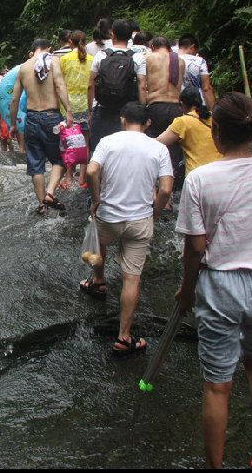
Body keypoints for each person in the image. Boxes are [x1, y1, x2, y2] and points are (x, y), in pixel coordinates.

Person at [175, 92, 252, 469]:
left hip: (220, 287)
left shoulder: (199, 179)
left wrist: (186, 289)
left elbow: (195, 248)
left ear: (216, 134)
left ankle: (216, 466)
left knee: (218, 384)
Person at [80, 102, 173, 355]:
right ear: (149, 123)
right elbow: (165, 189)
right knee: (131, 278)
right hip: (140, 220)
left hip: (109, 215)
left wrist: (96, 198)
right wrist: (154, 213)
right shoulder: (159, 148)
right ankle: (124, 337)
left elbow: (91, 170)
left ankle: (99, 281)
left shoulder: (108, 142)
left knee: (100, 243)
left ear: (122, 119)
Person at [9, 39, 74, 215]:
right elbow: (59, 85)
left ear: (32, 51)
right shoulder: (53, 61)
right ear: (49, 49)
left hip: (31, 119)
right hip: (52, 117)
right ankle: (50, 194)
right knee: (60, 159)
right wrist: (68, 109)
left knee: (36, 164)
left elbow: (14, 100)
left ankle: (41, 204)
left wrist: (13, 124)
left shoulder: (23, 68)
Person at [88, 18, 138, 155]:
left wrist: (90, 111)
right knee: (126, 152)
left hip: (103, 108)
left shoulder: (101, 55)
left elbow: (90, 84)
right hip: (127, 111)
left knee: (98, 150)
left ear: (113, 35)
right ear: (130, 37)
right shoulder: (137, 57)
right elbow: (143, 85)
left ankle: (98, 176)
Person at [143, 36, 185, 188]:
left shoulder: (148, 58)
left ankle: (154, 190)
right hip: (175, 106)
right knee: (172, 150)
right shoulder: (179, 61)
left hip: (156, 105)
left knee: (153, 147)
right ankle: (168, 191)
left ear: (153, 46)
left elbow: (142, 83)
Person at [155, 86, 222, 177]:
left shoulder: (183, 122)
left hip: (198, 175)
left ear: (182, 104)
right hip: (220, 170)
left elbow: (158, 142)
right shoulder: (214, 117)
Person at [59, 29, 94, 188]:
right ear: (85, 42)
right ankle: (82, 179)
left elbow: (59, 84)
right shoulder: (92, 59)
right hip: (86, 103)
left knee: (68, 141)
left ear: (70, 42)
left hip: (68, 105)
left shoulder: (65, 59)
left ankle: (68, 178)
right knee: (85, 142)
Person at [177, 33, 216, 111]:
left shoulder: (171, 60)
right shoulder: (199, 61)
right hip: (198, 105)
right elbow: (206, 88)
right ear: (192, 47)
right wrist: (213, 111)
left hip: (179, 105)